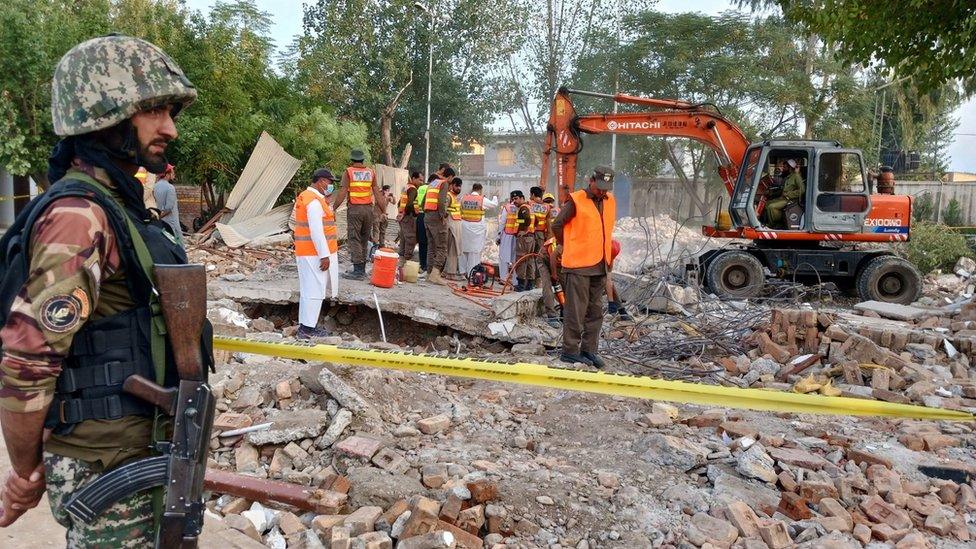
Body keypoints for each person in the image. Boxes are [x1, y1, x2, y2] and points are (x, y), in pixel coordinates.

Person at [0, 35, 198, 545]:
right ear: (104, 114)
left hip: (140, 454)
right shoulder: (78, 217)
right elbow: (27, 363)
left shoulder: (119, 204)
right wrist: (26, 472)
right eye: (153, 110)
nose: (170, 128)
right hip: (106, 468)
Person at [552, 166, 617, 368]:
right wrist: (565, 245)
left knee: (595, 311)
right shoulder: (576, 200)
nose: (602, 191)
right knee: (576, 311)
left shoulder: (610, 201)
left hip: (600, 264)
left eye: (606, 188)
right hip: (579, 265)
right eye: (599, 187)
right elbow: (557, 225)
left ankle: (589, 350)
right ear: (591, 181)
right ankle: (570, 351)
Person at [291, 168, 340, 339]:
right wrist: (324, 255)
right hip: (314, 254)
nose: (331, 186)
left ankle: (306, 326)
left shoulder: (308, 197)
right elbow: (317, 232)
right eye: (330, 182)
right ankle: (307, 329)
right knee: (315, 291)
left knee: (308, 290)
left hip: (307, 252)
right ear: (321, 181)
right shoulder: (314, 202)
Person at [332, 150, 386, 280]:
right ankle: (361, 269)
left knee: (354, 238)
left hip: (355, 210)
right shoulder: (371, 172)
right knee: (364, 238)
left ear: (352, 160)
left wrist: (333, 208)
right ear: (363, 160)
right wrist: (383, 209)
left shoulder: (349, 171)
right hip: (369, 210)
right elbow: (377, 192)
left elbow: (342, 192)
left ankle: (358, 271)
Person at [423, 166, 455, 285]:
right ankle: (435, 274)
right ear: (450, 176)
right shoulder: (444, 183)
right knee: (442, 247)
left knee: (431, 247)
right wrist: (443, 215)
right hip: (437, 218)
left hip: (427, 216)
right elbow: (441, 202)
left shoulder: (432, 183)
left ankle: (429, 273)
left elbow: (423, 202)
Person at [459, 182, 497, 276]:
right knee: (474, 252)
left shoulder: (464, 198)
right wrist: (495, 196)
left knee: (463, 250)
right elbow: (494, 204)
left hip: (464, 226)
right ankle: (472, 273)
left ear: (472, 189)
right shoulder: (481, 199)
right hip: (477, 228)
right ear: (480, 190)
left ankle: (462, 271)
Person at [765, 158, 805, 228]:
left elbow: (802, 190)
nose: (783, 168)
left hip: (790, 200)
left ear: (789, 167)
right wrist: (772, 194)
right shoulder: (789, 176)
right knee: (767, 203)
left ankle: (775, 224)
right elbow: (783, 189)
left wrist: (788, 194)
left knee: (771, 207)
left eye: (785, 166)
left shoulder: (796, 176)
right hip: (783, 198)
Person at [153, 163, 183, 247]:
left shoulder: (155, 186)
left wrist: (157, 218)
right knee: (178, 246)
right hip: (172, 223)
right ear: (167, 174)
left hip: (161, 223)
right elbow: (168, 208)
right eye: (172, 172)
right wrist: (160, 216)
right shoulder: (170, 188)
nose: (174, 174)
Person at [538, 236, 564, 328]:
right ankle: (552, 317)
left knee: (566, 286)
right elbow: (553, 256)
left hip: (558, 263)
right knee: (547, 287)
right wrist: (554, 275)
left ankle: (563, 313)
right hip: (545, 259)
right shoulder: (565, 242)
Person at [397, 171, 423, 266]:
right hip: (409, 217)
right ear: (414, 178)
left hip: (403, 216)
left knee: (404, 239)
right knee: (411, 239)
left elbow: (399, 203)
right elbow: (410, 204)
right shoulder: (413, 189)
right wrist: (411, 214)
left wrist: (401, 213)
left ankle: (401, 262)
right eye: (420, 180)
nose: (421, 182)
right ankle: (407, 261)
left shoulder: (406, 187)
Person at [514, 191, 536, 291]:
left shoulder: (523, 208)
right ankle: (530, 284)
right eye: (513, 199)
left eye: (516, 198)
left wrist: (524, 230)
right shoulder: (530, 207)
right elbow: (537, 221)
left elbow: (526, 220)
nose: (514, 201)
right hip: (531, 237)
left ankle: (521, 285)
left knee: (521, 259)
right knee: (529, 260)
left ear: (522, 198)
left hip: (524, 238)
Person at [497, 192, 520, 285]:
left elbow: (502, 222)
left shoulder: (507, 207)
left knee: (503, 258)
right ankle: (515, 281)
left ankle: (504, 279)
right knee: (515, 259)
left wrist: (498, 235)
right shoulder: (521, 207)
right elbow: (521, 220)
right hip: (516, 235)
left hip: (506, 235)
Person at [444, 178, 464, 279]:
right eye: (457, 186)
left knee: (453, 250)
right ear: (452, 185)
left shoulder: (457, 197)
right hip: (451, 226)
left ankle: (447, 272)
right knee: (452, 250)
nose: (459, 188)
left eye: (460, 186)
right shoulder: (449, 196)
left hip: (456, 225)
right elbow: (444, 210)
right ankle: (450, 273)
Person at [415, 176, 431, 271]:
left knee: (422, 242)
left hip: (419, 216)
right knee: (430, 242)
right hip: (428, 215)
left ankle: (422, 264)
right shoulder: (432, 189)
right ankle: (428, 266)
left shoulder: (420, 188)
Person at [372, 184, 393, 249]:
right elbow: (379, 203)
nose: (388, 192)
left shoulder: (387, 196)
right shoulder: (378, 196)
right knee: (376, 230)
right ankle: (375, 244)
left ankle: (382, 244)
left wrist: (392, 197)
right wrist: (386, 197)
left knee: (383, 231)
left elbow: (394, 202)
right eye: (388, 190)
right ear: (385, 190)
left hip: (383, 216)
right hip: (377, 215)